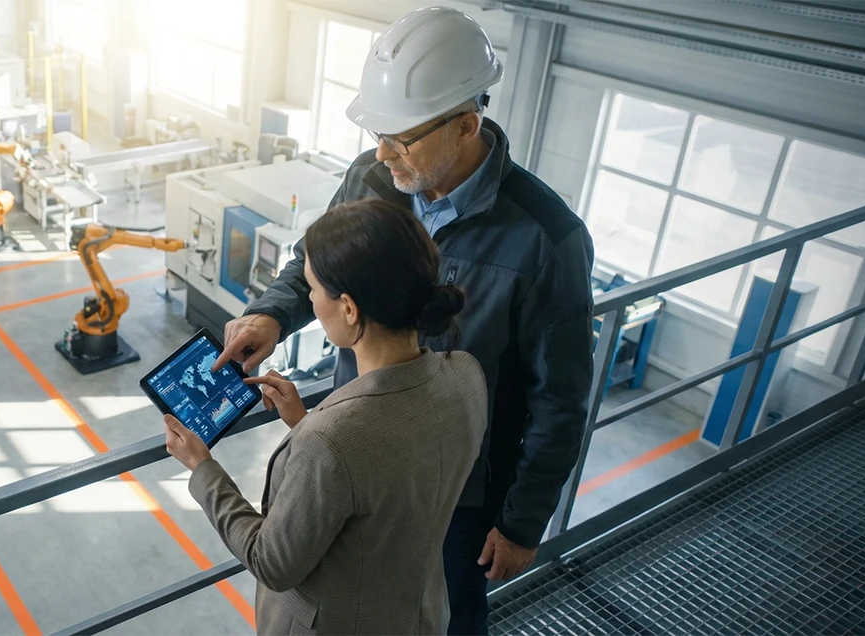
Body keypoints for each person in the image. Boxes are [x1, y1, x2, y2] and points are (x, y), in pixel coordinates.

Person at [213, 7, 595, 635]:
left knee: (449, 617)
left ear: (467, 124)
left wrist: (523, 522)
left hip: (458, 491)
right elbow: (318, 258)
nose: (381, 152)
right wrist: (272, 314)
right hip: (358, 459)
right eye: (378, 133)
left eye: (401, 138)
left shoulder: (546, 241)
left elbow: (561, 399)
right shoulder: (371, 177)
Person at [165, 199, 487, 635]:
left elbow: (271, 563)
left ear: (349, 308)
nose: (311, 300)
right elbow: (388, 472)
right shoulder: (466, 375)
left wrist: (202, 469)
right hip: (419, 614)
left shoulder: (331, 441)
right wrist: (306, 421)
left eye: (313, 288)